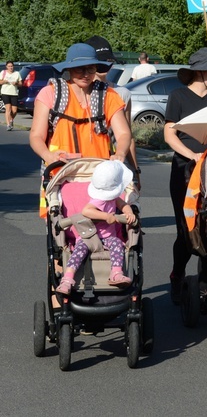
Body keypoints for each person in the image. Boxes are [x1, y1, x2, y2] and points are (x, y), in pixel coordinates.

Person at [164, 48, 207, 304]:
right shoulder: (178, 96)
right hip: (185, 170)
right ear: (200, 72)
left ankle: (205, 286)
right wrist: (192, 156)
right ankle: (177, 273)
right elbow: (169, 134)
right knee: (187, 231)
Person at [30, 43, 131, 169]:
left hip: (99, 173)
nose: (86, 74)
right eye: (80, 69)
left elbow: (123, 133)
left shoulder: (108, 95)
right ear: (69, 69)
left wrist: (120, 153)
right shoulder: (50, 93)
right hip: (60, 171)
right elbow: (36, 135)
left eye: (91, 69)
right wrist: (47, 155)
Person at [55, 160, 136, 294]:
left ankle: (116, 273)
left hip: (108, 237)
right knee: (78, 253)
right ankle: (67, 279)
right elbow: (87, 211)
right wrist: (106, 216)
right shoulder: (99, 199)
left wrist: (129, 212)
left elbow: (123, 205)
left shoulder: (114, 198)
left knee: (117, 244)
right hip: (89, 236)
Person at [86, 35, 141, 189]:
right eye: (101, 60)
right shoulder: (76, 92)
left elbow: (127, 136)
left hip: (114, 164)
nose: (106, 65)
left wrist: (135, 171)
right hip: (84, 164)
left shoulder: (122, 93)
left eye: (109, 60)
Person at [1, 61, 21, 130]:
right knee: (8, 108)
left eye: (11, 66)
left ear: (13, 66)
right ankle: (8, 125)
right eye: (9, 66)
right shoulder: (3, 73)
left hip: (14, 93)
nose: (10, 67)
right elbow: (0, 82)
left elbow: (21, 83)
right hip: (5, 92)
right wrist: (4, 81)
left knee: (14, 110)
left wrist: (16, 83)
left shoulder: (17, 73)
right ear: (6, 67)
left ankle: (11, 119)